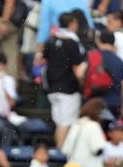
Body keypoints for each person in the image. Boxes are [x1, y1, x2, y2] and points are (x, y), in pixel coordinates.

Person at [44, 11, 87, 147]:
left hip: (52, 88)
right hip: (67, 89)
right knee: (65, 123)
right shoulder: (72, 42)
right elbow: (77, 67)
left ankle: (58, 151)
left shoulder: (50, 40)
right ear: (72, 24)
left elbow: (43, 60)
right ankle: (61, 154)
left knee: (59, 122)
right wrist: (82, 83)